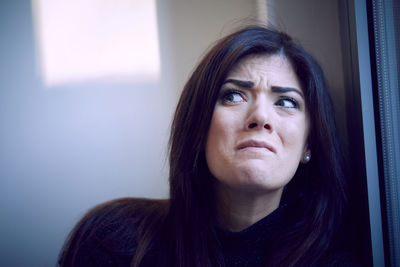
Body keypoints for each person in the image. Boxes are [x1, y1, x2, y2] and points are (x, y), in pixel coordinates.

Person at [58, 25, 353, 267]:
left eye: (286, 102)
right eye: (234, 96)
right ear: (198, 126)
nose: (261, 116)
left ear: (308, 145)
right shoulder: (114, 240)